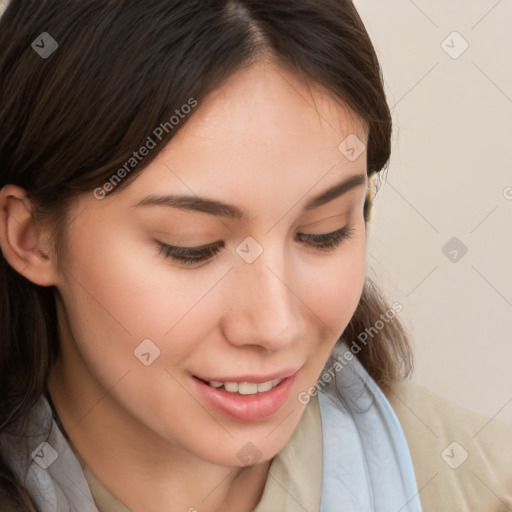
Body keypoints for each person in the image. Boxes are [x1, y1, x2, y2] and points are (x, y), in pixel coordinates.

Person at [0, 1, 510, 511]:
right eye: (192, 246)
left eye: (323, 233)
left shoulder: (482, 489)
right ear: (31, 236)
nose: (275, 326)